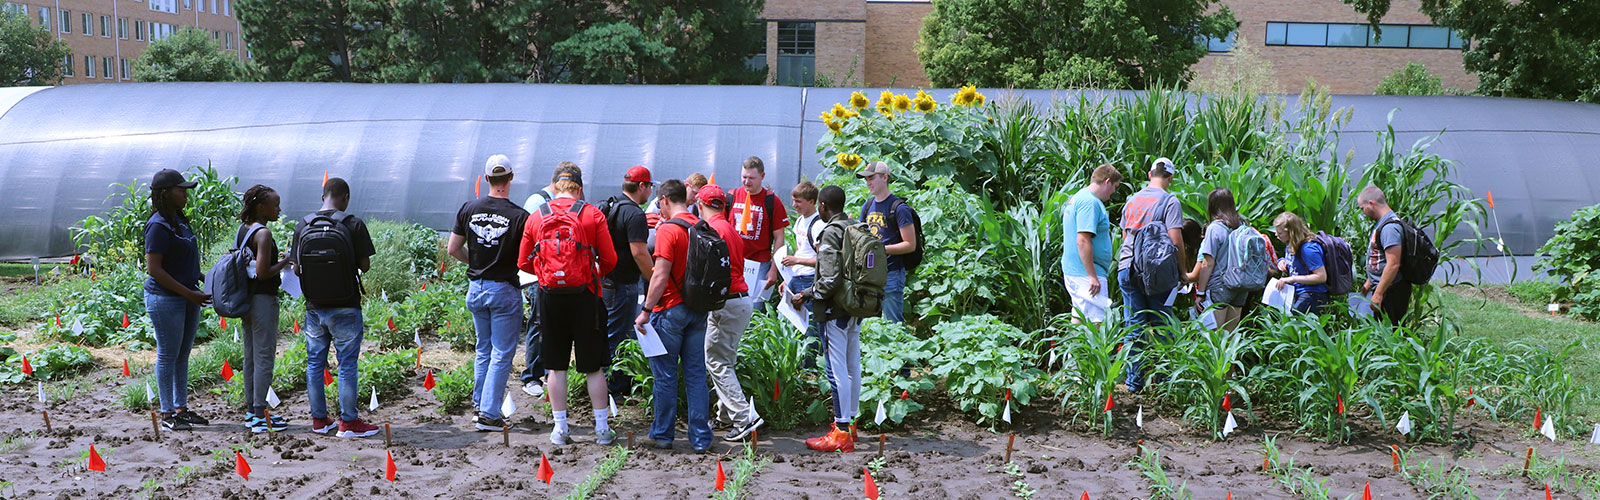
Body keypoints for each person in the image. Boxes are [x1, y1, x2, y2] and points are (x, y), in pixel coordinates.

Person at [518, 166, 619, 445]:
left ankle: (560, 429)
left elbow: (523, 261)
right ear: (579, 187)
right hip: (587, 295)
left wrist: (548, 274)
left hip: (550, 297)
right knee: (594, 366)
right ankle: (601, 430)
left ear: (553, 185)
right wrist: (591, 273)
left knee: (555, 366)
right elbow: (610, 259)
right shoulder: (592, 214)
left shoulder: (538, 216)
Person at [293, 177, 381, 438]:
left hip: (314, 308)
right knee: (347, 365)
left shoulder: (303, 225)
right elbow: (364, 266)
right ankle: (349, 422)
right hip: (346, 305)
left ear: (323, 197)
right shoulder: (352, 223)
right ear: (346, 198)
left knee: (314, 363)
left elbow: (297, 268)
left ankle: (319, 421)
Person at [448, 155, 531, 431]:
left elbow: (453, 248)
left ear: (486, 179)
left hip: (476, 289)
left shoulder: (468, 208)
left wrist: (476, 262)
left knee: (483, 348)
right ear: (511, 178)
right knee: (502, 352)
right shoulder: (520, 216)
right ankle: (489, 414)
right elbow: (526, 259)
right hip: (504, 290)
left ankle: (479, 405)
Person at [634, 180, 714, 453]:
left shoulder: (669, 229)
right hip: (699, 309)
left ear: (665, 199)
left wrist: (645, 311)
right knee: (695, 374)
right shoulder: (703, 225)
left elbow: (660, 273)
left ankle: (662, 434)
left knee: (666, 375)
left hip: (670, 309)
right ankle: (701, 438)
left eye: (660, 204)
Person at [143, 169, 212, 432]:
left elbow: (184, 262)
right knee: (168, 355)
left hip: (186, 295)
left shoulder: (178, 220)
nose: (185, 194)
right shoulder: (158, 225)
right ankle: (167, 413)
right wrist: (188, 293)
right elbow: (156, 270)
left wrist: (206, 278)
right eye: (180, 190)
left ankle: (181, 408)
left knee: (183, 354)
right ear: (164, 194)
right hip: (166, 299)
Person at [796, 185, 862, 452]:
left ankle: (841, 432)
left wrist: (807, 294)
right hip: (857, 306)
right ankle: (852, 424)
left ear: (822, 205)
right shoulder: (855, 226)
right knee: (852, 365)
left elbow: (830, 278)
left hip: (836, 309)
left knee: (836, 371)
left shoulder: (831, 232)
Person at [696, 183, 763, 441]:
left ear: (701, 205)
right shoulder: (730, 230)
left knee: (716, 361)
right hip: (740, 300)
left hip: (726, 302)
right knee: (725, 360)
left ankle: (744, 418)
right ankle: (725, 416)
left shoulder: (712, 230)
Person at [1117, 158, 1185, 393]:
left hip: (1127, 267)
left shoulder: (1131, 200)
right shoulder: (1170, 201)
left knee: (1134, 326)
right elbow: (1175, 241)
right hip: (1157, 272)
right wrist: (1182, 272)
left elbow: (1126, 234)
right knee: (1162, 324)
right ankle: (1165, 382)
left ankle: (1134, 384)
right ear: (1170, 178)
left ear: (1149, 174)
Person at [520, 161, 579, 399]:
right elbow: (526, 244)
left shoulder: (565, 204)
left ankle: (548, 373)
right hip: (539, 277)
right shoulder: (537, 203)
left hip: (558, 276)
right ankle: (531, 375)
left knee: (552, 326)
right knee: (537, 323)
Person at [237, 184, 291, 433]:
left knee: (250, 356)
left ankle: (252, 410)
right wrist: (285, 262)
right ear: (261, 207)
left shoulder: (244, 230)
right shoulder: (264, 234)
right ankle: (260, 414)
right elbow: (262, 272)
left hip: (246, 301)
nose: (279, 209)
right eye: (275, 204)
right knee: (264, 357)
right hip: (262, 301)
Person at [600, 166, 654, 397]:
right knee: (618, 336)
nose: (650, 191)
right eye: (650, 186)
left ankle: (606, 383)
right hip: (623, 283)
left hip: (607, 280)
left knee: (608, 331)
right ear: (641, 186)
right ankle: (611, 388)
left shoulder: (612, 206)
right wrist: (655, 277)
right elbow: (639, 252)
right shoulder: (634, 214)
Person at [857, 161, 919, 324]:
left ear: (885, 177)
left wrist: (880, 249)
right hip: (870, 273)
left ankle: (902, 350)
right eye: (866, 179)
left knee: (894, 325)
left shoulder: (899, 208)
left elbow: (910, 244)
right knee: (870, 325)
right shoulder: (868, 205)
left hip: (891, 273)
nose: (868, 182)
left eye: (872, 178)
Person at [1060, 165, 1121, 323]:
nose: (1114, 192)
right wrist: (1092, 276)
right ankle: (1090, 348)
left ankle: (1073, 348)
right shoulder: (1090, 203)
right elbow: (1082, 240)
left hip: (1076, 270)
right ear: (1107, 181)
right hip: (1086, 273)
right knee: (1096, 322)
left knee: (1080, 316)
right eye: (1115, 187)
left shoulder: (1078, 197)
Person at [1185, 187, 1253, 331]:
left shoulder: (1215, 228)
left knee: (1215, 336)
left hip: (1219, 286)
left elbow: (1207, 263)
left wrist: (1201, 293)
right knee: (1230, 336)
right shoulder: (1243, 225)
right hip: (1240, 286)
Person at [721, 157, 788, 301]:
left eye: (752, 178)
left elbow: (779, 238)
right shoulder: (732, 196)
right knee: (729, 305)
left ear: (762, 176)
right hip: (733, 262)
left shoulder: (772, 201)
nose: (746, 181)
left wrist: (773, 269)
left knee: (754, 308)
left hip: (759, 264)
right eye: (744, 177)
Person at [780, 181, 824, 363]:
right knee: (790, 321)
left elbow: (824, 261)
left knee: (810, 324)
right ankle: (795, 362)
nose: (794, 205)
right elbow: (800, 250)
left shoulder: (818, 225)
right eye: (793, 200)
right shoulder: (799, 220)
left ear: (812, 201)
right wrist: (787, 278)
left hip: (809, 280)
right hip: (797, 277)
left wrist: (796, 260)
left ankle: (810, 366)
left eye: (799, 201)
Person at [1358, 186, 1410, 325]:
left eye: (1362, 208)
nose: (1363, 212)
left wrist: (1379, 293)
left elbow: (1393, 264)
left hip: (1391, 290)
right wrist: (1370, 283)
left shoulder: (1389, 228)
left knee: (1392, 332)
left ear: (1371, 203)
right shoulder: (1383, 223)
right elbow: (1380, 257)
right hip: (1385, 287)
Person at [1272, 212, 1329, 314]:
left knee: (1293, 323)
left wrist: (1291, 279)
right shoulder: (1291, 244)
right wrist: (1282, 261)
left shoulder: (1308, 249)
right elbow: (1294, 262)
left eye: (1280, 233)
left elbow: (1321, 276)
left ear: (1291, 232)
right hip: (1298, 292)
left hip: (1313, 294)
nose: (1276, 235)